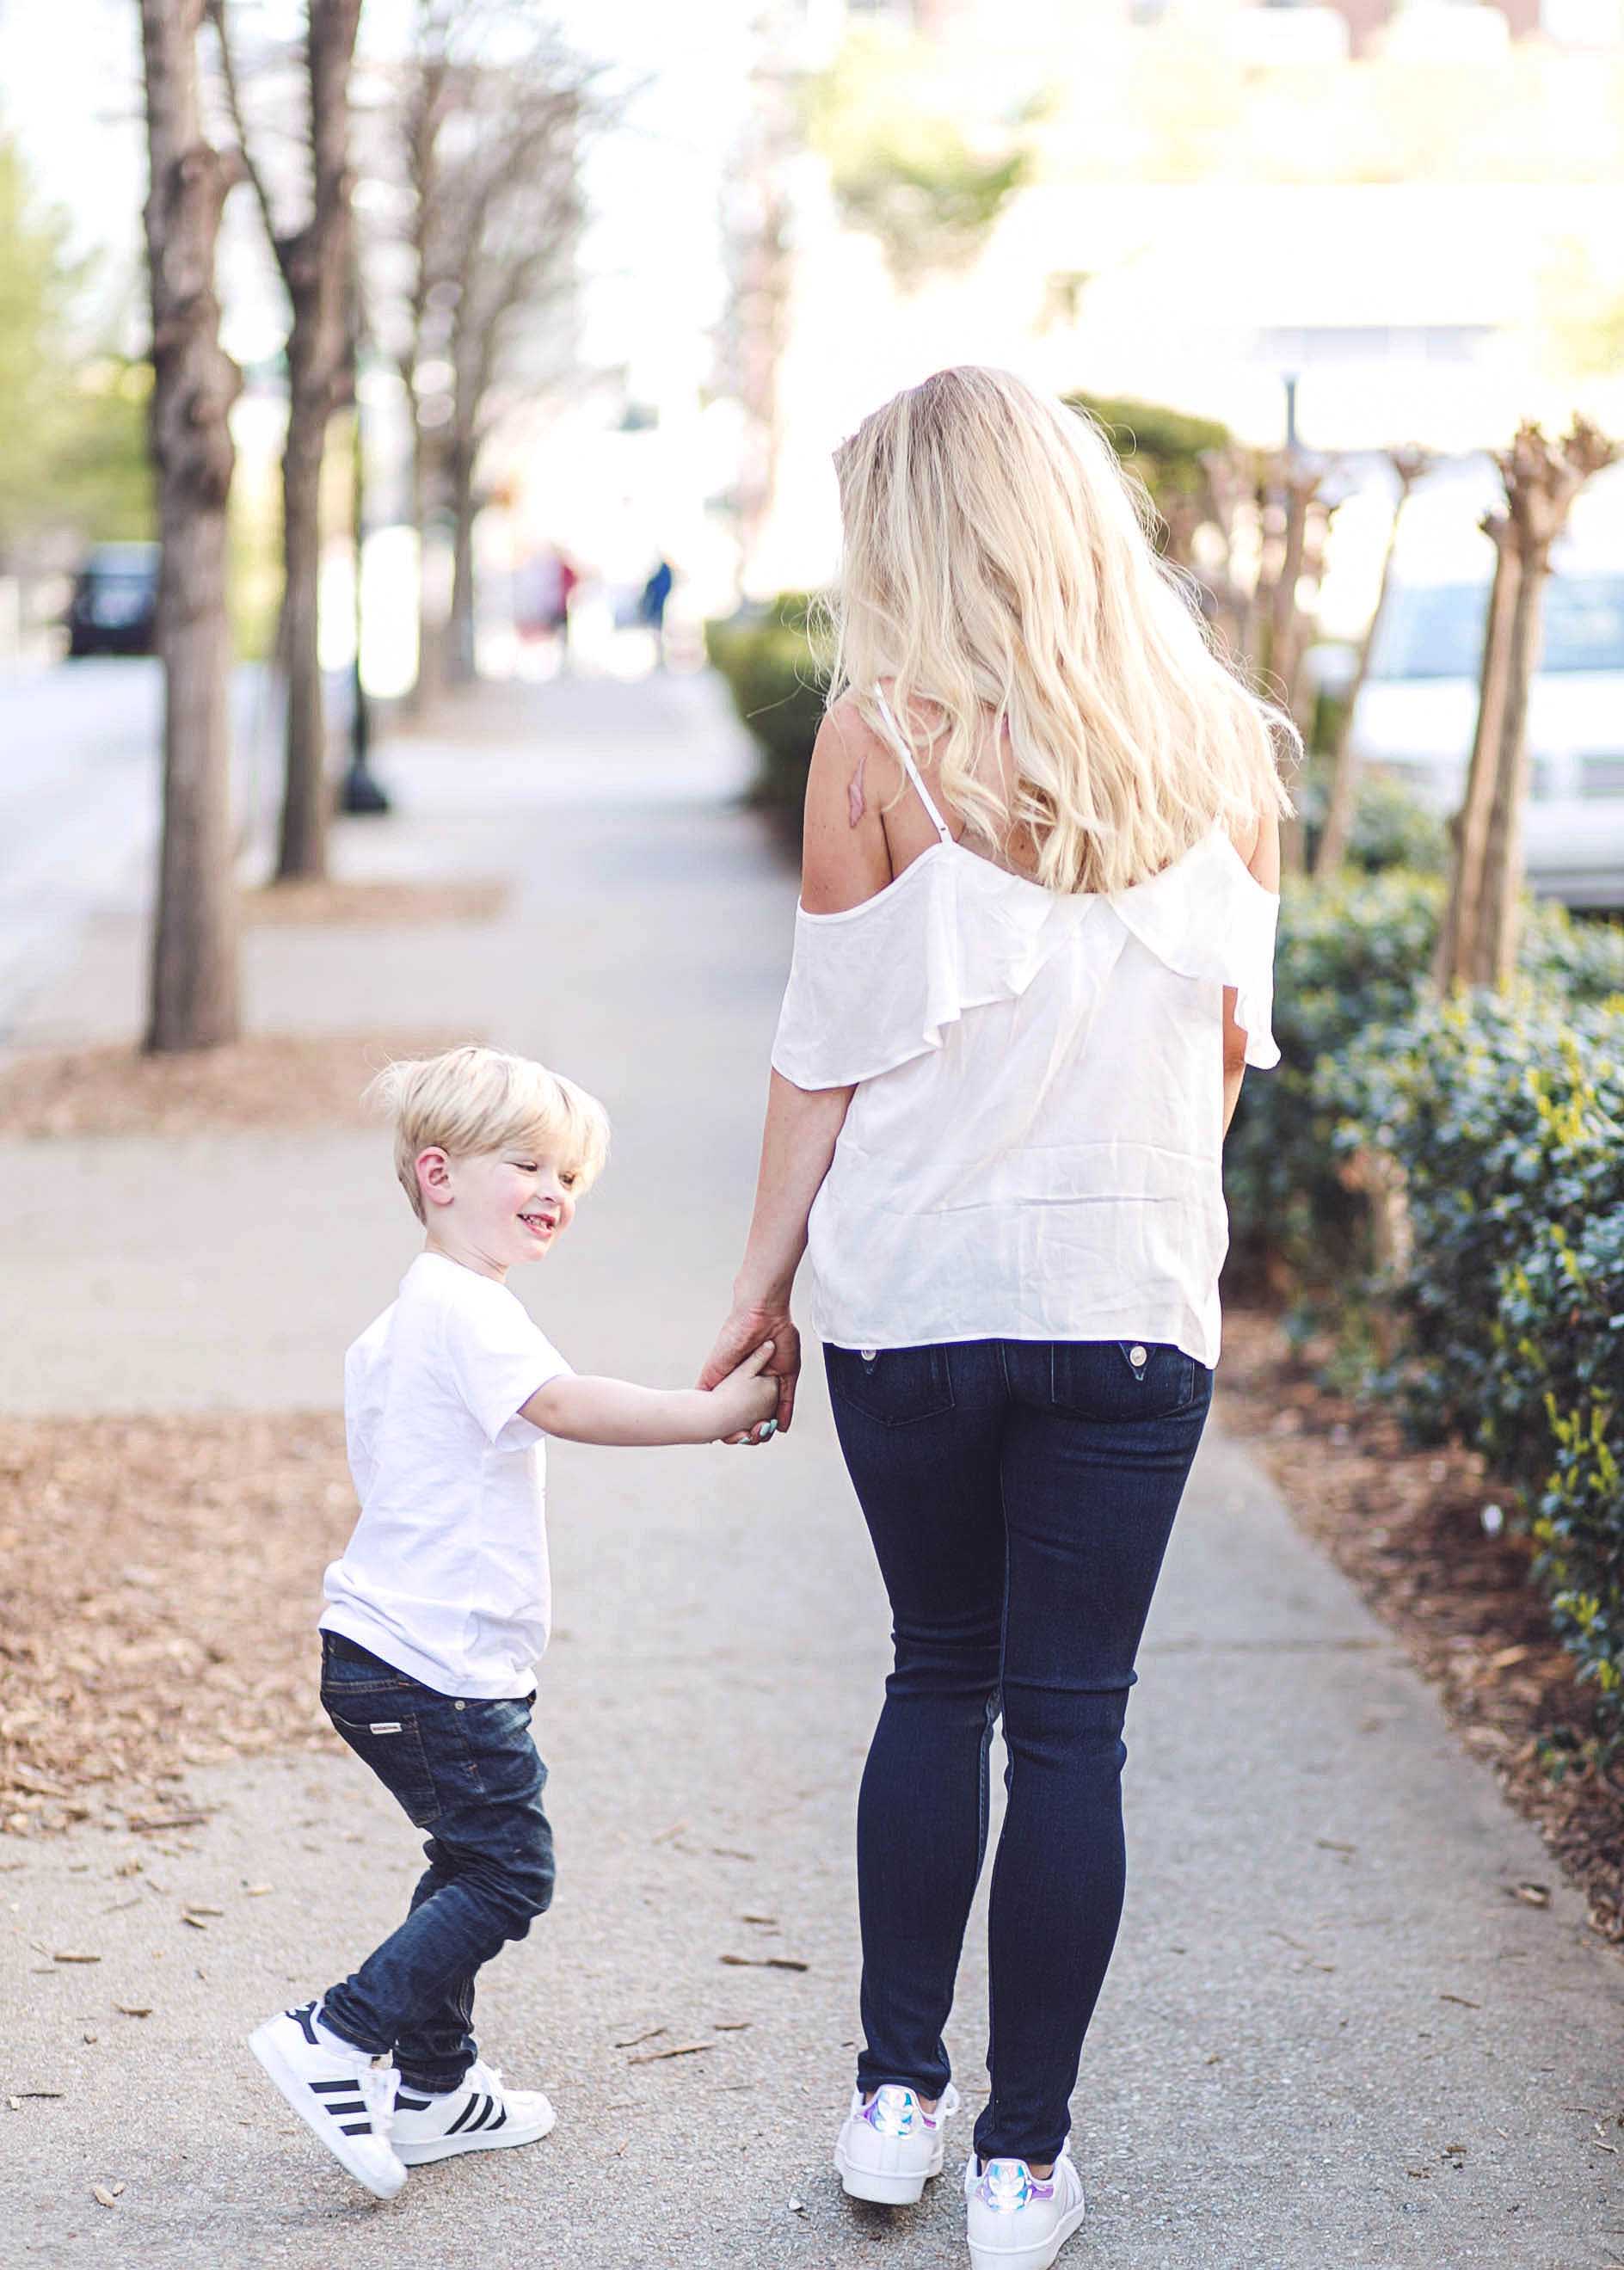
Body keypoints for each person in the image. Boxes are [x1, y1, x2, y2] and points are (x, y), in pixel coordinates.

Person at [698, 366, 1293, 2270]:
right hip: (1125, 1302)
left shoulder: (879, 743)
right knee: (1075, 1730)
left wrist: (757, 1293)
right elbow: (1217, 1063)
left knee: (932, 1674)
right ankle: (1022, 2165)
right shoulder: (1221, 749)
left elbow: (823, 1058)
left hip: (915, 1301)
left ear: (917, 535)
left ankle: (894, 2106)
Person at [248, 1045, 778, 2202]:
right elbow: (565, 1404)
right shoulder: (467, 1312)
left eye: (572, 1176)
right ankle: (337, 2037)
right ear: (438, 1175)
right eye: (528, 1163)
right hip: (434, 1668)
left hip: (397, 1659)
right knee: (508, 1872)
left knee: (466, 1861)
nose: (556, 1190)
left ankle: (436, 2088)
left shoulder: (410, 1320)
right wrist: (710, 1414)